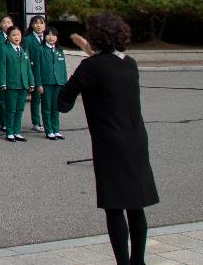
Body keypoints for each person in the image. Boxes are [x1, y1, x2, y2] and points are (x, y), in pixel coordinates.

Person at [60, 14, 159, 265]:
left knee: (115, 206)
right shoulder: (130, 64)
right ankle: (139, 261)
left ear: (95, 38)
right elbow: (107, 68)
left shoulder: (90, 67)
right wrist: (88, 52)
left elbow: (63, 103)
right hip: (136, 140)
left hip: (109, 143)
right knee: (136, 205)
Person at [0, 25, 34, 142]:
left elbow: (28, 68)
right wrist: (3, 83)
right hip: (11, 84)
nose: (16, 37)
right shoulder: (5, 49)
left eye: (18, 34)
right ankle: (9, 132)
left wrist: (31, 82)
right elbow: (2, 67)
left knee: (20, 109)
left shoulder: (23, 49)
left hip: (23, 84)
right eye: (13, 35)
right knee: (11, 109)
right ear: (8, 37)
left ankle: (17, 131)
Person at [37, 26, 68, 140]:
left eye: (53, 35)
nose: (51, 37)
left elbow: (63, 68)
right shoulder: (40, 49)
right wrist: (39, 84)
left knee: (56, 107)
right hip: (46, 82)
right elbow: (37, 68)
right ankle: (49, 130)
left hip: (58, 83)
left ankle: (56, 130)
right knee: (46, 107)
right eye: (48, 34)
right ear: (44, 36)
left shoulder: (59, 50)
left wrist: (65, 83)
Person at [0, 15, 16, 132]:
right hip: (0, 70)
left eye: (9, 22)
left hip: (12, 71)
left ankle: (12, 121)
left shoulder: (16, 36)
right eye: (4, 22)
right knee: (1, 99)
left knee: (12, 98)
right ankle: (3, 122)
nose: (7, 24)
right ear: (0, 24)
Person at [24, 15, 48, 133]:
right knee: (36, 98)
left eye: (41, 23)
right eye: (36, 23)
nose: (39, 25)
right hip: (34, 72)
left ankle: (47, 122)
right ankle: (36, 122)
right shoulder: (28, 39)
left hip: (46, 73)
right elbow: (26, 58)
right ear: (32, 25)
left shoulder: (48, 37)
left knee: (47, 99)